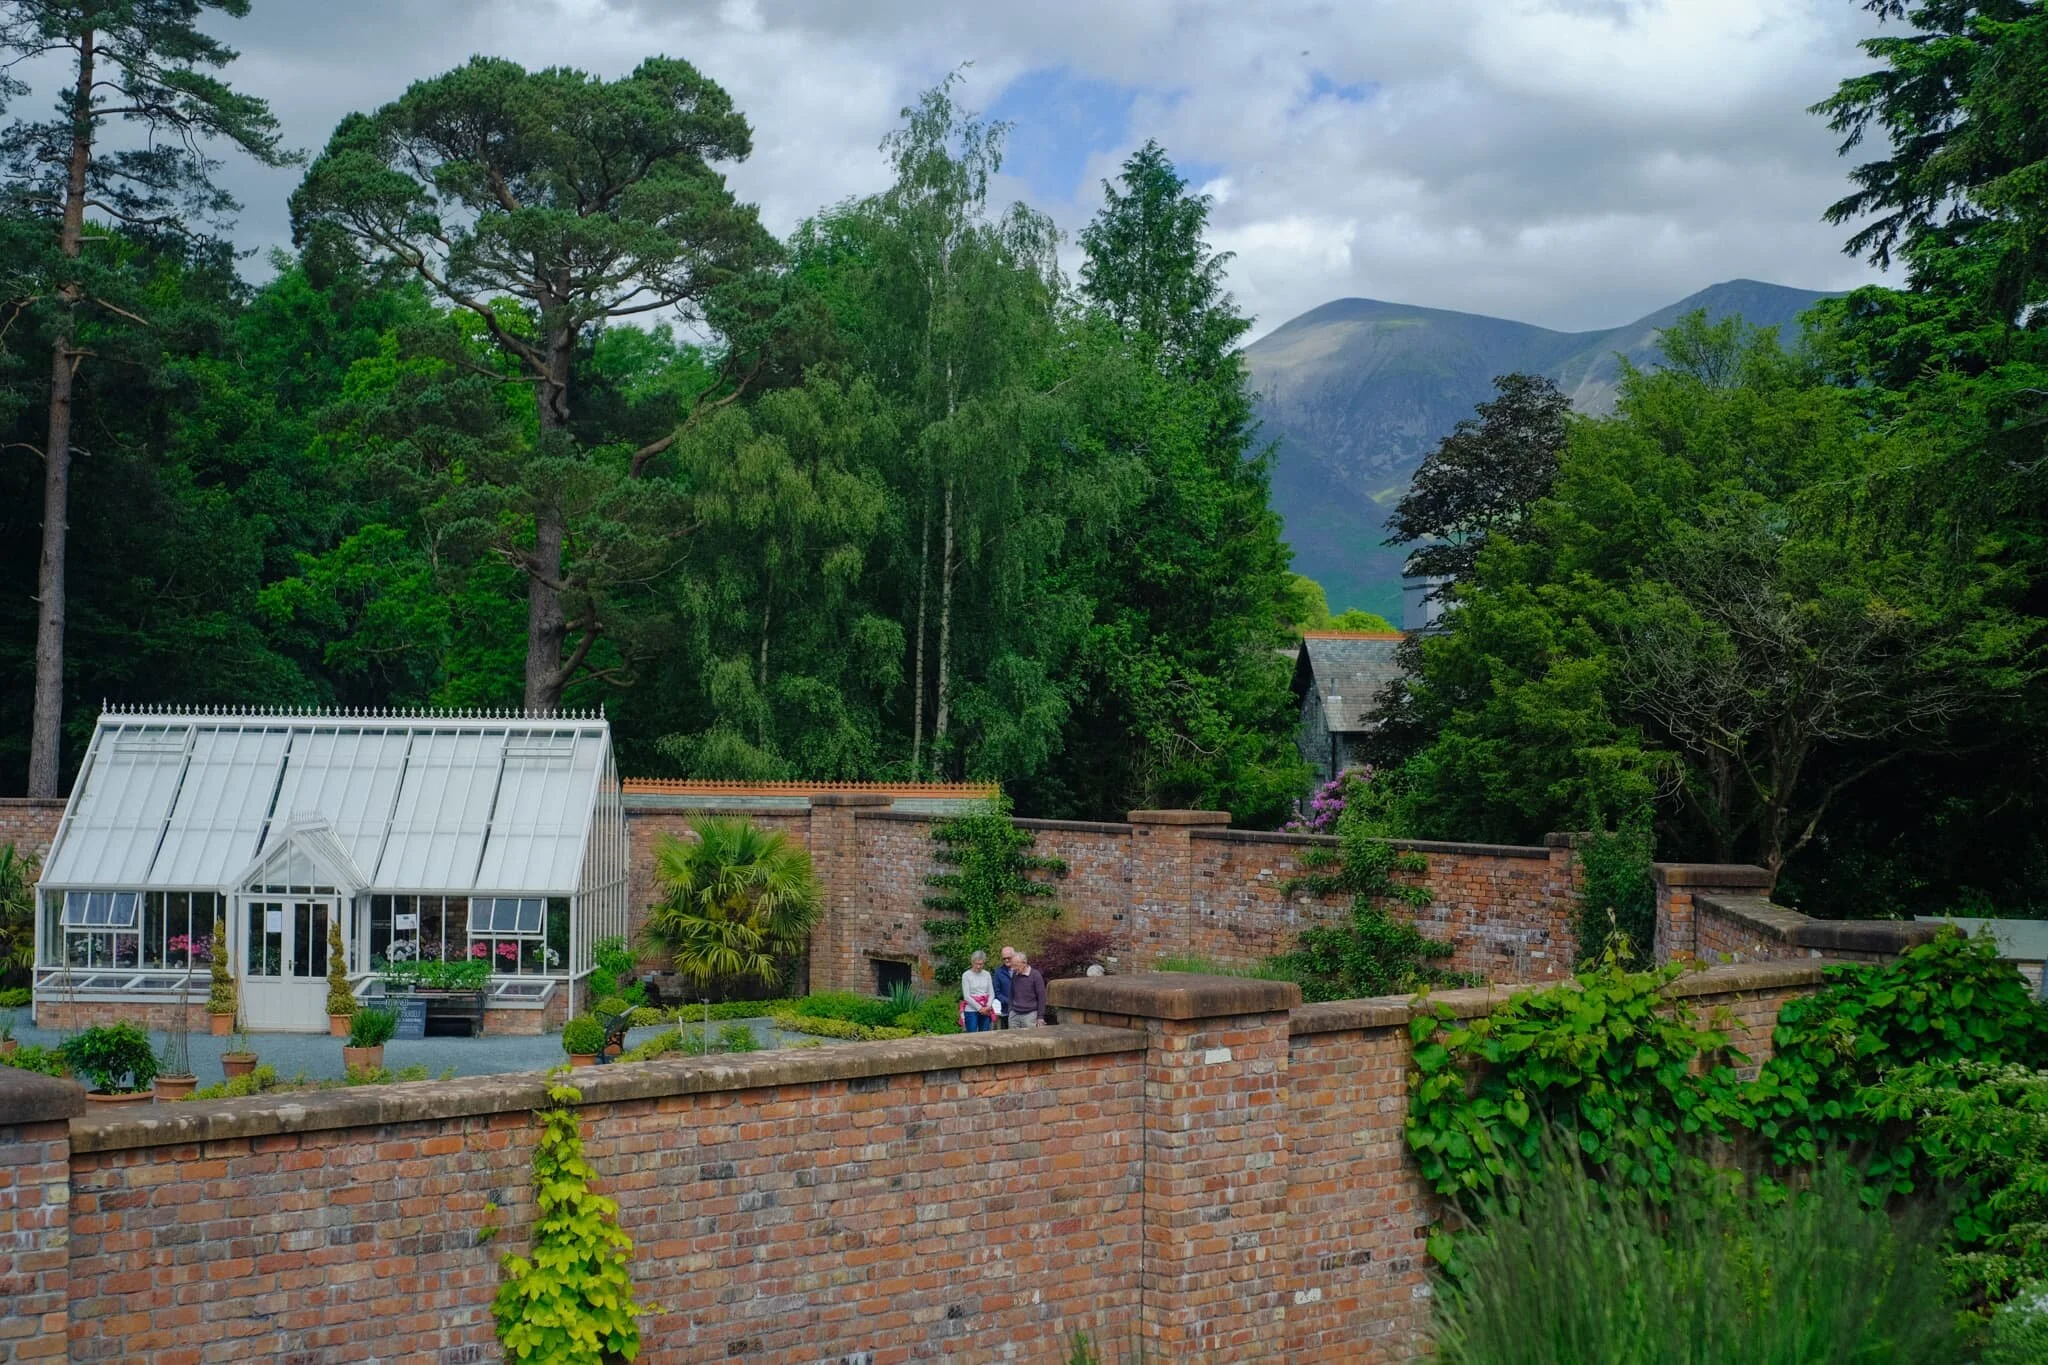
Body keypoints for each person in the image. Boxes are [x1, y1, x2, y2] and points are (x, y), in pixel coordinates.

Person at [1009, 950, 1047, 1027]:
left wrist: (1040, 1016)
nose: (1012, 968)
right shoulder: (1015, 975)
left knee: (1029, 1038)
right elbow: (1011, 993)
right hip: (1014, 1014)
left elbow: (1041, 997)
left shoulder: (1035, 975)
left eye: (1015, 966)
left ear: (1024, 963)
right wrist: (1010, 1009)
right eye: (1012, 966)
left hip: (1030, 1015)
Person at [961, 950, 996, 1032]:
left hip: (986, 1008)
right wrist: (980, 1008)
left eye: (981, 964)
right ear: (972, 962)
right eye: (976, 964)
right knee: (972, 1033)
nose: (978, 966)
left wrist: (988, 1006)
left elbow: (991, 993)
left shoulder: (987, 974)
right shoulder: (966, 975)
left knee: (985, 1033)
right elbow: (966, 996)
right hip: (971, 1009)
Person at [993, 946, 1016, 1030]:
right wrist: (1008, 1001)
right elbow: (996, 992)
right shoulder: (998, 972)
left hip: (1022, 1008)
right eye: (1004, 958)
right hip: (1006, 1010)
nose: (1006, 960)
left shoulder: (1020, 969)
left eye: (1009, 958)